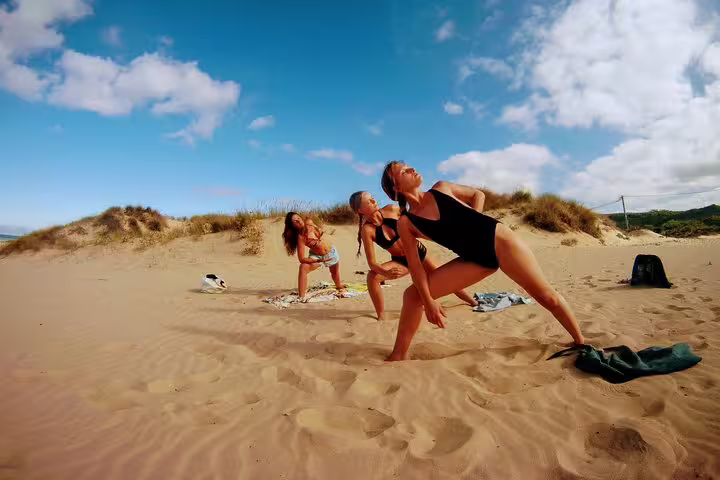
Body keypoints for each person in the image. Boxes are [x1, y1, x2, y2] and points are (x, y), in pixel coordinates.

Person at [380, 161, 585, 361]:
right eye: (405, 171)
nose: (413, 168)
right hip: (475, 259)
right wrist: (429, 302)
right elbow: (415, 265)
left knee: (546, 297)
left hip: (501, 242)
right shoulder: (406, 222)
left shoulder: (442, 188)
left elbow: (478, 194)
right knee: (413, 296)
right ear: (396, 188)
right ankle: (398, 355)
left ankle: (580, 342)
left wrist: (474, 219)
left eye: (409, 166)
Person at [348, 191, 477, 320]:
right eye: (369, 201)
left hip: (418, 253)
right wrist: (385, 273)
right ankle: (381, 316)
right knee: (372, 277)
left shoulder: (392, 209)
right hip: (401, 262)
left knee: (445, 278)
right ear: (360, 210)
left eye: (373, 198)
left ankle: (472, 302)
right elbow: (372, 263)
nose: (374, 201)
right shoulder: (367, 230)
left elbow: (416, 218)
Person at [282, 212, 346, 299]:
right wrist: (317, 260)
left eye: (298, 218)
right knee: (303, 267)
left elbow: (321, 231)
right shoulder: (301, 237)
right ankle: (301, 297)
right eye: (295, 221)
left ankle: (338, 285)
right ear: (293, 226)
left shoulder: (309, 222)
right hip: (317, 256)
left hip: (331, 252)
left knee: (335, 275)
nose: (298, 220)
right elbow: (301, 259)